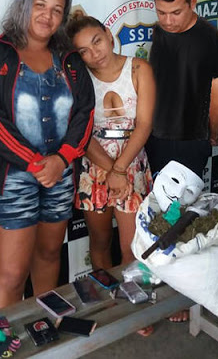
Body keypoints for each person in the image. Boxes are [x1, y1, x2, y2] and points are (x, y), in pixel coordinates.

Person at [0, 0, 94, 311]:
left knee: (50, 254)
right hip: (13, 178)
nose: (47, 15)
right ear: (24, 6)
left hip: (60, 175)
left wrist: (61, 159)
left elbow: (85, 112)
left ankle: (45, 325)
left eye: (56, 10)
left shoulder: (69, 59)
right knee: (12, 272)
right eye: (40, 5)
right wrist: (36, 163)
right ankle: (1, 336)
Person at [147, 0, 218, 322]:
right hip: (154, 140)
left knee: (181, 220)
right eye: (161, 12)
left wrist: (210, 134)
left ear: (192, 3)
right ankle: (162, 287)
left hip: (190, 143)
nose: (167, 20)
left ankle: (181, 297)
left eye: (176, 12)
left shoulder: (210, 38)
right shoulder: (159, 32)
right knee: (158, 217)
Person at [66, 14, 155, 270]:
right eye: (84, 51)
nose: (95, 53)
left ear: (108, 34)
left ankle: (131, 295)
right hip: (94, 166)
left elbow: (144, 125)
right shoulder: (79, 79)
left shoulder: (139, 69)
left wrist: (120, 170)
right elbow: (81, 132)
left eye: (97, 41)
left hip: (131, 163)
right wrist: (111, 170)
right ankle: (105, 293)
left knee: (132, 247)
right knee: (100, 241)